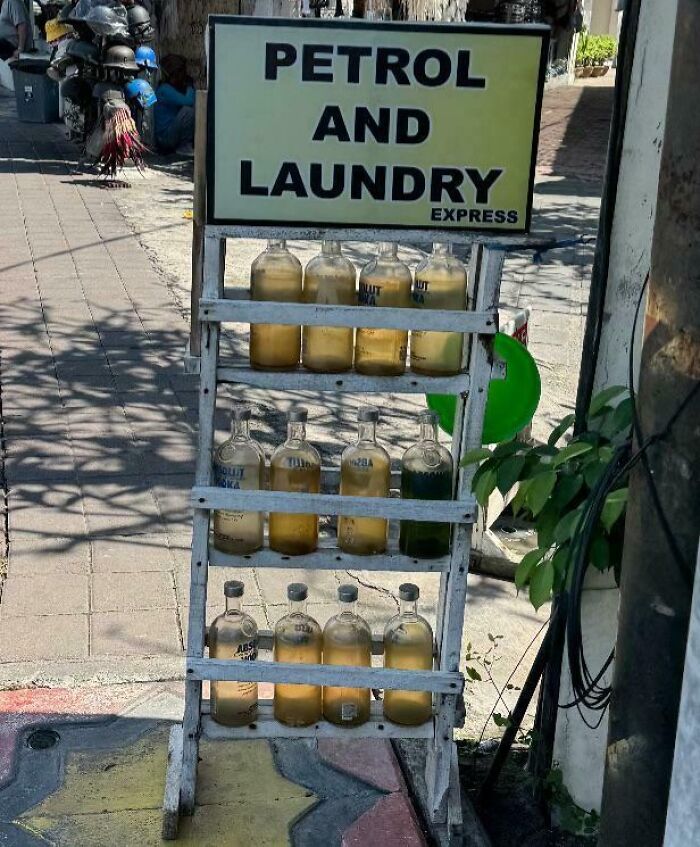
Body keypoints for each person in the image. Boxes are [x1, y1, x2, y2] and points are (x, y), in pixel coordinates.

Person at [155, 54, 195, 155]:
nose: (185, 75)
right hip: (165, 138)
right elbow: (189, 101)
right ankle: (184, 147)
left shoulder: (168, 88)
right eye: (183, 72)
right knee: (188, 111)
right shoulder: (165, 90)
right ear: (176, 73)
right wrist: (190, 87)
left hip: (169, 134)